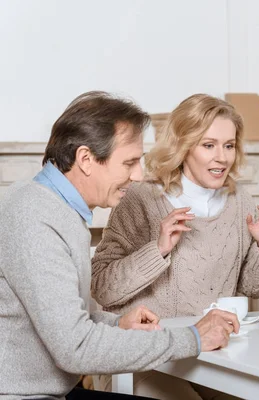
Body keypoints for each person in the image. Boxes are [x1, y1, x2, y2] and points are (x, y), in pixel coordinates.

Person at [0, 91, 239, 400]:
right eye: (129, 162)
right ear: (86, 159)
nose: (138, 175)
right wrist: (193, 337)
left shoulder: (56, 209)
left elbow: (64, 317)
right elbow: (76, 347)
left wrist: (117, 323)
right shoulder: (33, 217)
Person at [91, 93, 259, 398]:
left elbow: (252, 289)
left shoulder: (240, 201)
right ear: (183, 146)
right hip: (143, 358)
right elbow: (101, 288)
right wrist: (159, 250)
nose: (222, 157)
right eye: (209, 145)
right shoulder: (140, 197)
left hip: (214, 355)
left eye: (229, 145)